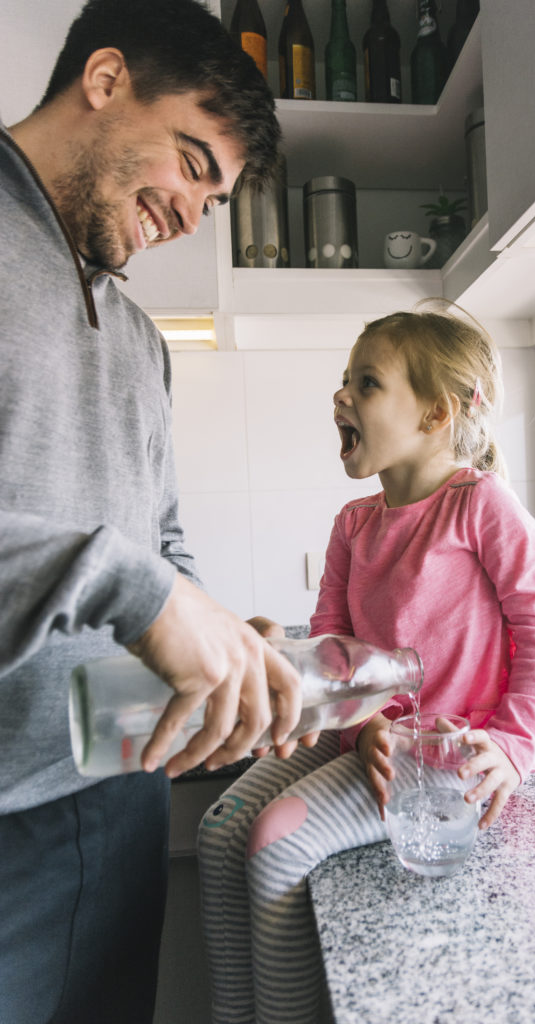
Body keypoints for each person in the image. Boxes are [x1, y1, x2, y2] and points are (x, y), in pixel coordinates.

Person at [0, 2, 306, 1022]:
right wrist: (145, 593)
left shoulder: (141, 340)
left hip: (123, 788)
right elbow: (134, 572)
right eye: (189, 162)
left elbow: (160, 541)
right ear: (104, 81)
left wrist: (216, 631)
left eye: (213, 200)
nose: (189, 212)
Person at [197, 303, 535, 1024]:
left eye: (365, 383)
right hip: (367, 736)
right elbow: (332, 640)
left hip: (444, 754)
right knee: (219, 830)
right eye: (344, 381)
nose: (341, 395)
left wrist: (516, 747)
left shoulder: (480, 505)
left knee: (274, 841)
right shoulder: (352, 524)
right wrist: (328, 713)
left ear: (434, 414)